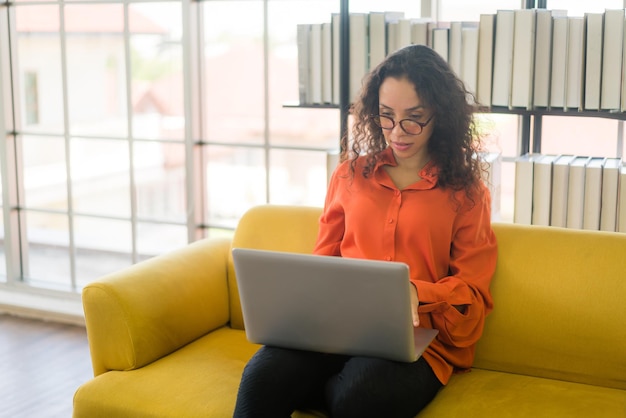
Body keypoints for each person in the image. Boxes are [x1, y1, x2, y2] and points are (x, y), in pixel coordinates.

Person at [233, 44, 498, 418]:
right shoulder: (349, 175)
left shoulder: (467, 193)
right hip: (336, 332)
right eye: (386, 116)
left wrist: (416, 293)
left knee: (359, 395)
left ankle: (323, 391)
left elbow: (472, 299)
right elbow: (321, 264)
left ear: (440, 115)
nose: (397, 132)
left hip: (422, 344)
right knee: (262, 376)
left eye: (414, 118)